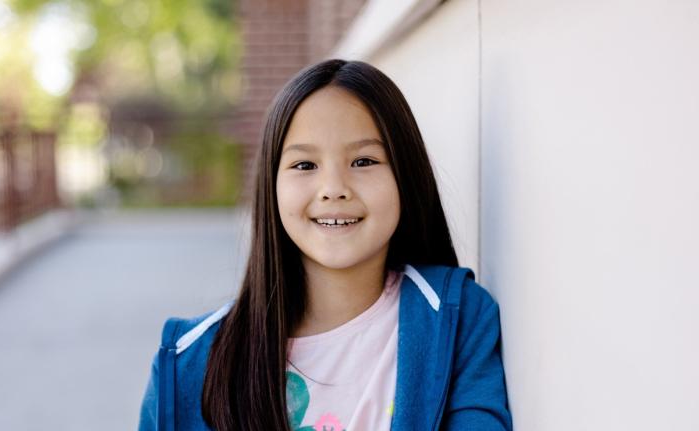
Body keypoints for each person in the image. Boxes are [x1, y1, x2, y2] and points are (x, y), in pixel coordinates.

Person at [138, 59, 512, 430]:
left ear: (405, 174)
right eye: (305, 165)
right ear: (272, 185)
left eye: (364, 160)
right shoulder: (187, 363)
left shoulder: (457, 316)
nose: (334, 188)